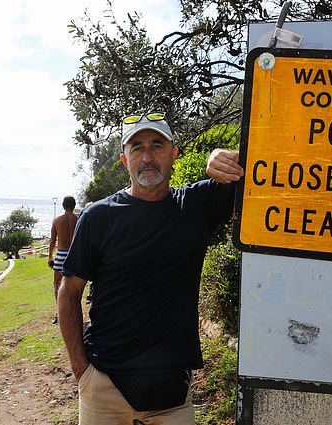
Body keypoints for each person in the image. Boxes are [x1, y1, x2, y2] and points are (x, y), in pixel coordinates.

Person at [57, 112, 243, 424]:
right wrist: (82, 370)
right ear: (124, 159)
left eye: (157, 146)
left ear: (173, 154)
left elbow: (268, 164)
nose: (147, 157)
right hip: (104, 385)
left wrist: (223, 156)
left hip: (171, 394)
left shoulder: (196, 206)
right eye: (137, 148)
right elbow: (69, 291)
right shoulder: (98, 217)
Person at [48, 196, 78, 325]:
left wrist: (50, 256)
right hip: (74, 254)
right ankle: (74, 311)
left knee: (57, 284)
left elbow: (53, 240)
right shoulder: (78, 219)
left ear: (63, 205)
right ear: (74, 205)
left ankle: (60, 313)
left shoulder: (57, 220)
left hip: (61, 254)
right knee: (75, 285)